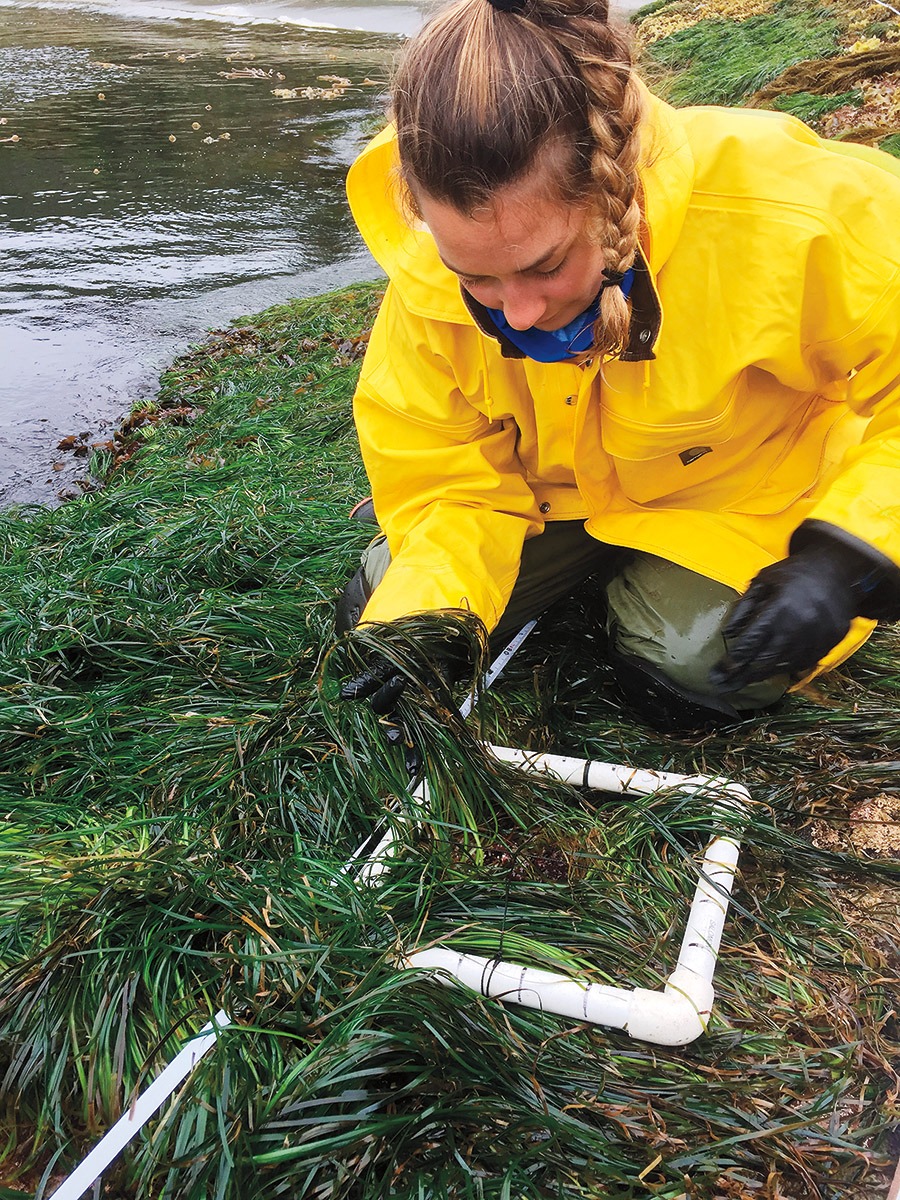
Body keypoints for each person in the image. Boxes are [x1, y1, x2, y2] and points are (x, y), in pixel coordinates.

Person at [337, 0, 900, 729]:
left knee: (693, 678)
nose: (517, 314)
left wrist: (848, 552)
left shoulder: (790, 206)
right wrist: (431, 607)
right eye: (474, 275)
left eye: (545, 266)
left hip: (738, 491)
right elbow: (440, 468)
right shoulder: (427, 272)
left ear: (614, 191)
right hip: (551, 496)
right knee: (391, 612)